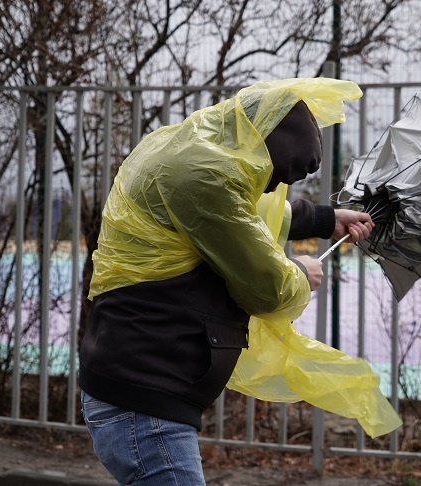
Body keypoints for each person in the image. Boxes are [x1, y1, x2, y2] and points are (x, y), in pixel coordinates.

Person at [79, 78, 374, 485]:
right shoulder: (204, 178)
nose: (271, 188)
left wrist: (325, 219)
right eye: (273, 176)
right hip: (144, 405)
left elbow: (246, 211)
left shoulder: (189, 152)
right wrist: (301, 275)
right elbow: (268, 289)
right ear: (260, 148)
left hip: (134, 389)